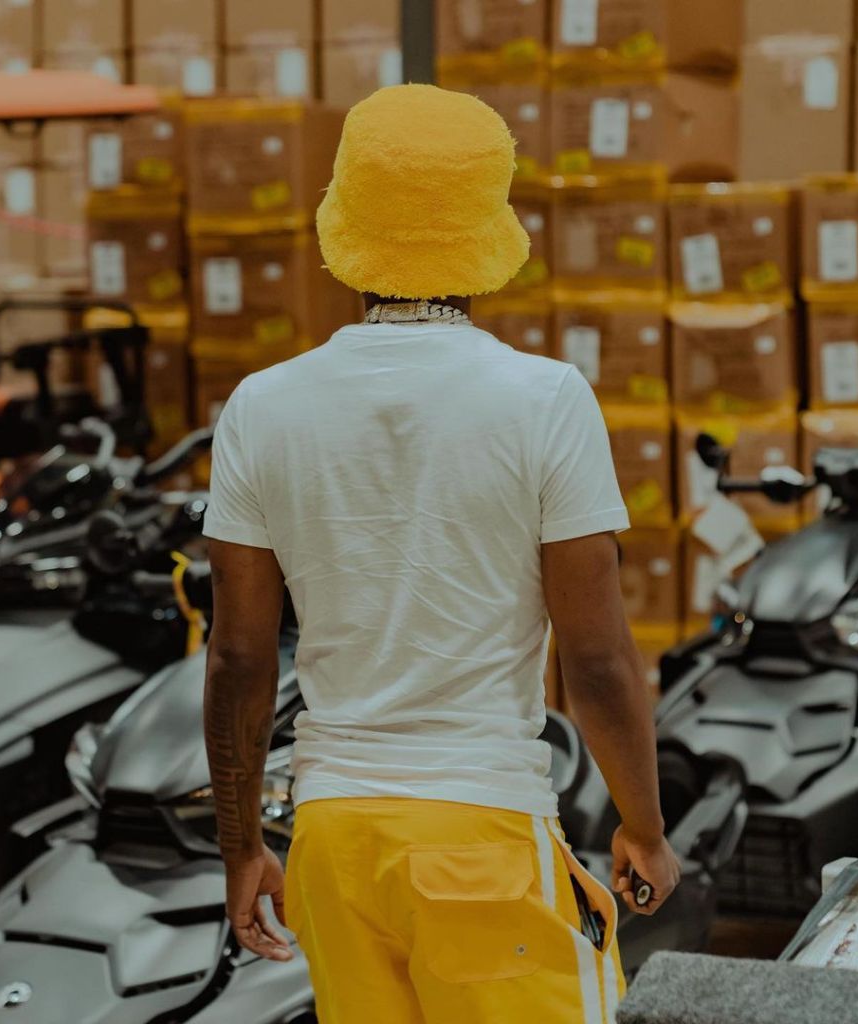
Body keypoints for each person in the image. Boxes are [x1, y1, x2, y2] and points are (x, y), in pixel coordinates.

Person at [202, 83, 680, 1024]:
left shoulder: (262, 406)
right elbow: (594, 659)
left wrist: (240, 845)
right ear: (486, 237)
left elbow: (240, 658)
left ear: (345, 229)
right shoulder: (544, 399)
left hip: (333, 839)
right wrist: (645, 828)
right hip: (482, 831)